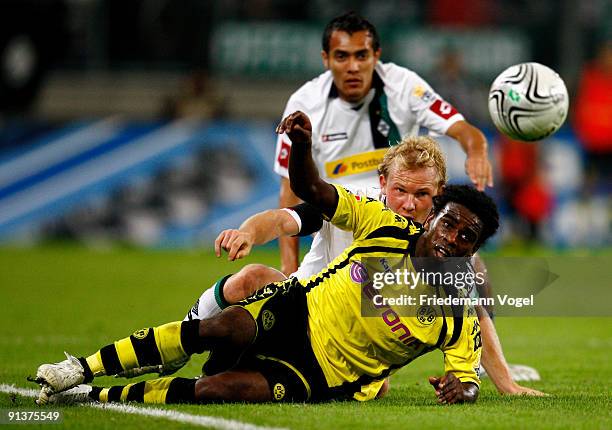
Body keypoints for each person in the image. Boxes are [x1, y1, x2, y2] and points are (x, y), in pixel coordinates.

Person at [33, 112, 501, 406]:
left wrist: (474, 384)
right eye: (401, 190)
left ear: (435, 197)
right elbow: (298, 205)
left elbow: (467, 360)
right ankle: (91, 364)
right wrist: (297, 154)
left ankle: (98, 394)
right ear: (384, 183)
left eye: (421, 195)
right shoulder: (374, 216)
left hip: (324, 372)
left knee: (219, 390)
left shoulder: (456, 303)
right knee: (242, 300)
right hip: (300, 305)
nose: (410, 203)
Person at [273, 12, 493, 276]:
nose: (353, 66)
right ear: (326, 59)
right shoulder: (305, 103)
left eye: (361, 55)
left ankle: (479, 317)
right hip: (340, 223)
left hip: (402, 219)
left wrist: (477, 152)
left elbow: (462, 129)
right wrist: (288, 265)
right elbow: (289, 191)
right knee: (300, 302)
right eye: (342, 56)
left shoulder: (404, 86)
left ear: (376, 55)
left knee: (473, 273)